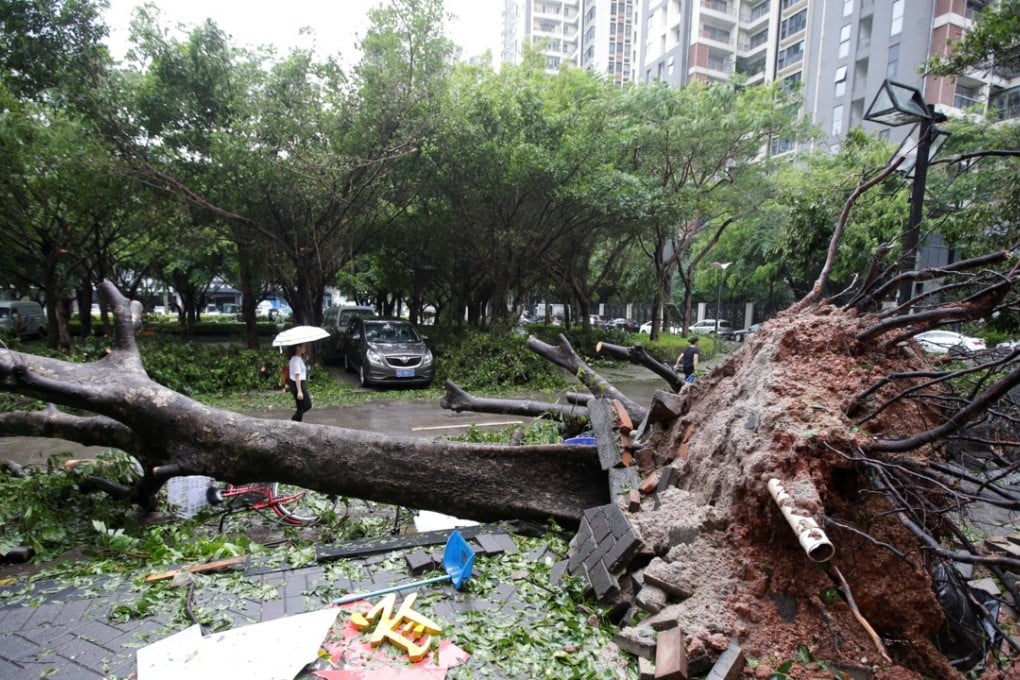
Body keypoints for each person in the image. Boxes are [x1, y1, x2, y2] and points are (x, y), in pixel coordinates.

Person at [287, 343, 312, 421]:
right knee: (307, 404)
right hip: (298, 384)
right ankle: (294, 420)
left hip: (295, 384)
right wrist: (300, 391)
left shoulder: (295, 358)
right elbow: (297, 376)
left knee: (300, 407)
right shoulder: (296, 360)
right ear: (298, 348)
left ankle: (296, 422)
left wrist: (304, 359)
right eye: (303, 346)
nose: (305, 348)